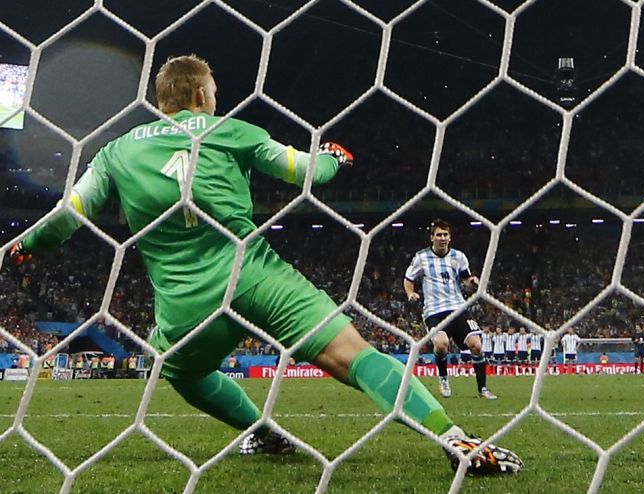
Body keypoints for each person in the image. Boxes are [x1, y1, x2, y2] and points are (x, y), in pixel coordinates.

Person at [7, 55, 520, 474]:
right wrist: (334, 157)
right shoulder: (232, 130)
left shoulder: (115, 151)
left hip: (185, 304)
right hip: (254, 275)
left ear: (162, 101)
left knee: (183, 371)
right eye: (213, 90)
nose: (215, 97)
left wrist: (26, 246)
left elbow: (69, 215)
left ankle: (261, 432)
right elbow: (305, 171)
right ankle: (454, 437)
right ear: (201, 94)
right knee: (353, 355)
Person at [403, 219, 498, 400]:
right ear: (432, 238)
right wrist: (411, 293)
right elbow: (408, 279)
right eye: (439, 235)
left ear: (450, 237)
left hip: (458, 308)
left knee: (476, 345)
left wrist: (472, 282)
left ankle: (483, 389)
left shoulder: (458, 257)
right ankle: (443, 379)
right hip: (434, 311)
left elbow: (465, 279)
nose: (442, 238)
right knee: (441, 344)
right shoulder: (421, 258)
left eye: (445, 234)